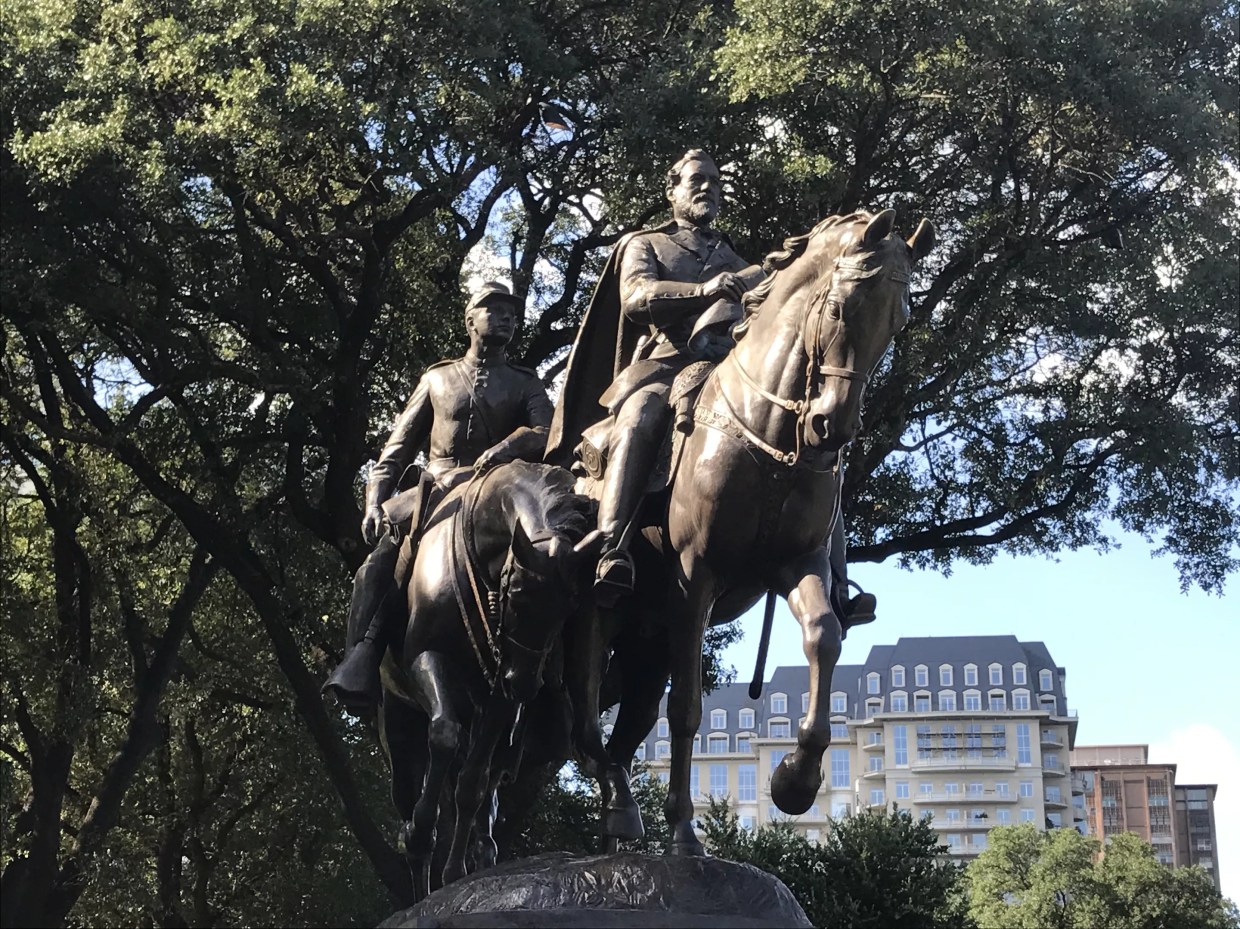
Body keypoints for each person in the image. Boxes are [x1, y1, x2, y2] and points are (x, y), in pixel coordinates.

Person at [546, 149, 876, 626]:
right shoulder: (646, 244)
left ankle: (838, 586)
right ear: (672, 189)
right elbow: (637, 299)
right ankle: (611, 547)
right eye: (697, 180)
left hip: (726, 374)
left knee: (818, 451)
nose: (708, 189)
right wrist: (703, 292)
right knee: (640, 415)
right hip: (662, 366)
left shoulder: (740, 262)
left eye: (716, 182)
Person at [323, 282, 553, 712]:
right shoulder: (438, 377)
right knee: (376, 566)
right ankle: (361, 658)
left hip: (495, 493)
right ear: (471, 320)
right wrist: (374, 501)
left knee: (550, 559)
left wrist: (504, 450)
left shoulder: (525, 384)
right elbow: (396, 450)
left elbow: (547, 434)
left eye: (512, 313)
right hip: (437, 490)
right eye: (495, 310)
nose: (506, 317)